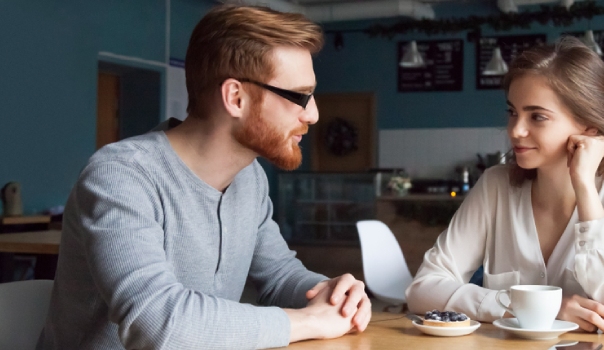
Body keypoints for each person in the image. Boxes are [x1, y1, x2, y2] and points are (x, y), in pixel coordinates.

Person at [38, 5, 371, 349]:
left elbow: (279, 276)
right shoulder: (121, 176)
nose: (313, 114)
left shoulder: (250, 178)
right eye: (300, 96)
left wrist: (335, 296)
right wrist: (306, 321)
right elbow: (156, 322)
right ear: (235, 97)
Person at [406, 36, 604, 333]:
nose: (516, 130)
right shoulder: (496, 186)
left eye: (537, 116)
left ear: (590, 126)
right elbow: (422, 290)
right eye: (513, 112)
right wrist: (530, 306)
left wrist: (584, 185)